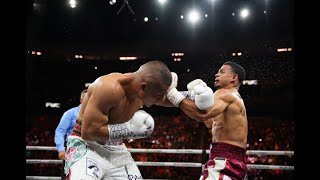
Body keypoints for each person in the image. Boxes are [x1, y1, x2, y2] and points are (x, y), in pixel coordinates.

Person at [64, 60, 173, 180]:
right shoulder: (108, 87)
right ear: (144, 87)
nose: (160, 99)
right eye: (159, 95)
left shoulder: (142, 92)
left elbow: (168, 99)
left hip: (116, 149)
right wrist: (127, 129)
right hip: (86, 145)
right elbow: (88, 132)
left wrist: (187, 96)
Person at [165, 61, 248, 180]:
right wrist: (198, 99)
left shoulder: (225, 93)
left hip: (225, 160)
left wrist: (173, 94)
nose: (216, 74)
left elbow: (201, 115)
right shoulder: (234, 96)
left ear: (234, 78)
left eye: (222, 72)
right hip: (230, 158)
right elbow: (209, 122)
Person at [54, 89, 88, 160]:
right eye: (86, 99)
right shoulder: (70, 113)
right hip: (72, 147)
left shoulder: (96, 115)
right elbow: (60, 131)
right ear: (81, 100)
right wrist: (61, 149)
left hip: (90, 148)